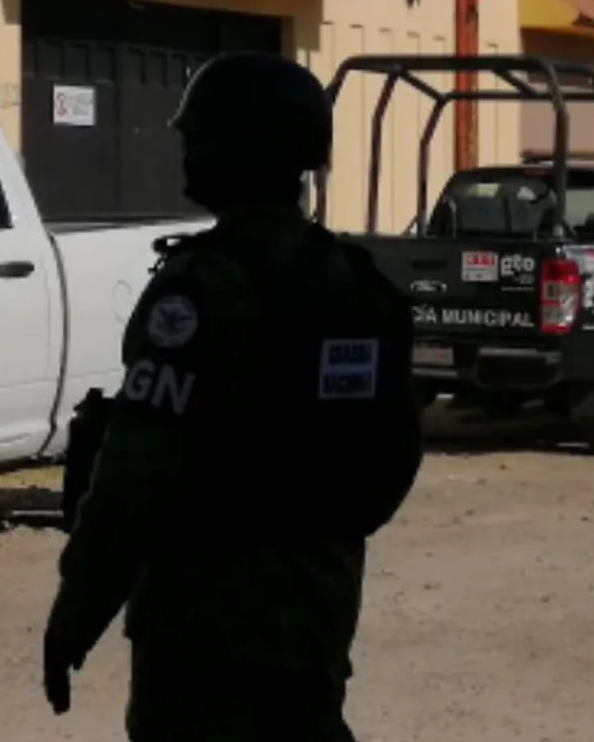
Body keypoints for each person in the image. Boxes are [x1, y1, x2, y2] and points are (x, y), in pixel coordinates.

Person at [43, 53, 425, 740]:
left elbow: (135, 472)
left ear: (237, 150)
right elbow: (391, 460)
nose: (186, 152)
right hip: (313, 621)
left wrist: (80, 607)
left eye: (199, 138)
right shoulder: (356, 285)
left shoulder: (200, 289)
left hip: (202, 631)